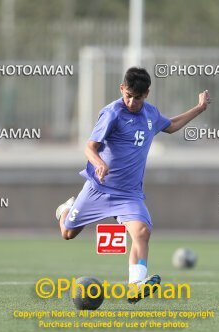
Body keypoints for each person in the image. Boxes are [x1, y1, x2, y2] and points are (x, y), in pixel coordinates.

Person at [55, 67, 211, 304]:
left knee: (142, 232)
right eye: (128, 95)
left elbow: (171, 125)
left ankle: (136, 284)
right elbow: (90, 147)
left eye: (137, 97)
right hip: (99, 188)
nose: (131, 101)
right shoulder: (112, 113)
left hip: (128, 194)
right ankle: (66, 208)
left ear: (146, 94)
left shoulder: (150, 114)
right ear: (122, 89)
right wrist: (98, 163)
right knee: (68, 233)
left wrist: (199, 108)